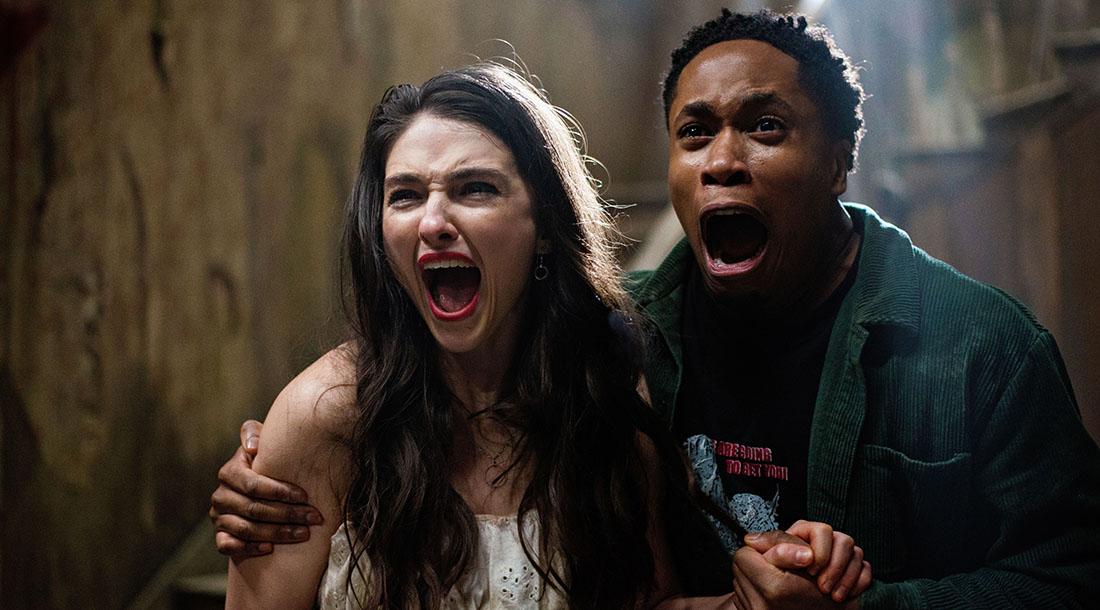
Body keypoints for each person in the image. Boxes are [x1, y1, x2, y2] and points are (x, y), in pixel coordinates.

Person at [214, 8, 1100, 608]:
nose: (722, 160)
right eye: (694, 133)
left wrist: (863, 604)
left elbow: (1079, 575)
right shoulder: (618, 345)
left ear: (840, 161)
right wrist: (278, 456)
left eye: (765, 126)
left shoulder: (982, 347)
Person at [223, 61, 869, 609]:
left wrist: (780, 584)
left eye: (475, 189)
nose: (433, 222)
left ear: (544, 230)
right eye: (406, 196)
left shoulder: (602, 401)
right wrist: (279, 443)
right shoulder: (326, 418)